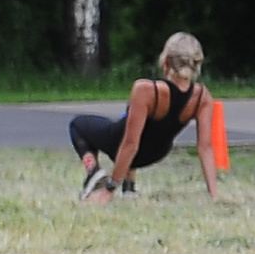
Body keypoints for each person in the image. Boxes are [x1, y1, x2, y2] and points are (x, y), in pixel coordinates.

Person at [72, 33, 221, 203]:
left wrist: (109, 189)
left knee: (78, 125)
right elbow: (205, 147)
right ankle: (129, 186)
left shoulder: (146, 90)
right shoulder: (202, 97)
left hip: (121, 146)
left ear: (166, 61)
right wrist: (214, 195)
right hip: (156, 153)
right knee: (139, 125)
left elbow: (130, 144)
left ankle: (93, 171)